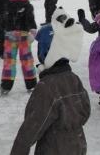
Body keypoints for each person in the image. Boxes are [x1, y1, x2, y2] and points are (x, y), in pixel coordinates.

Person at [10, 10, 90, 155]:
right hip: (78, 145)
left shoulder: (46, 88)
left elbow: (30, 130)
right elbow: (85, 111)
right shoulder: (74, 79)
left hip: (54, 148)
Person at [1, 0, 37, 95]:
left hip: (10, 35)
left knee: (9, 61)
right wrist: (33, 30)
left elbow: (3, 20)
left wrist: (5, 28)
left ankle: (6, 85)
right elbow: (30, 20)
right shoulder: (27, 5)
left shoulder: (8, 4)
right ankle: (31, 84)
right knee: (27, 60)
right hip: (24, 36)